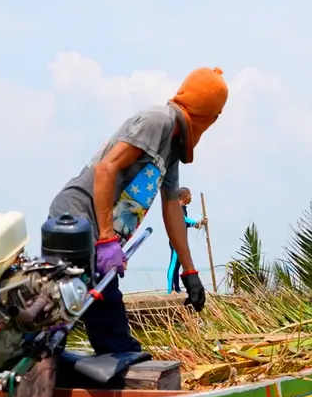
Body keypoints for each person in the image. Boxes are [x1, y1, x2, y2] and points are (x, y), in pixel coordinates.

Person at [47, 66, 228, 355]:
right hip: (76, 220)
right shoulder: (159, 122)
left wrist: (190, 271)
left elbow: (171, 208)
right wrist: (106, 239)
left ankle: (106, 365)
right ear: (209, 115)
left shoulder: (172, 148)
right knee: (68, 313)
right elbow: (107, 169)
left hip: (98, 234)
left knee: (103, 316)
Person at [167, 187, 207, 294]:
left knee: (178, 265)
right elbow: (184, 220)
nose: (191, 198)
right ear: (185, 196)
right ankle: (170, 290)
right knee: (173, 263)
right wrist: (198, 222)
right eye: (190, 195)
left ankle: (177, 288)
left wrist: (198, 224)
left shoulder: (183, 208)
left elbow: (185, 223)